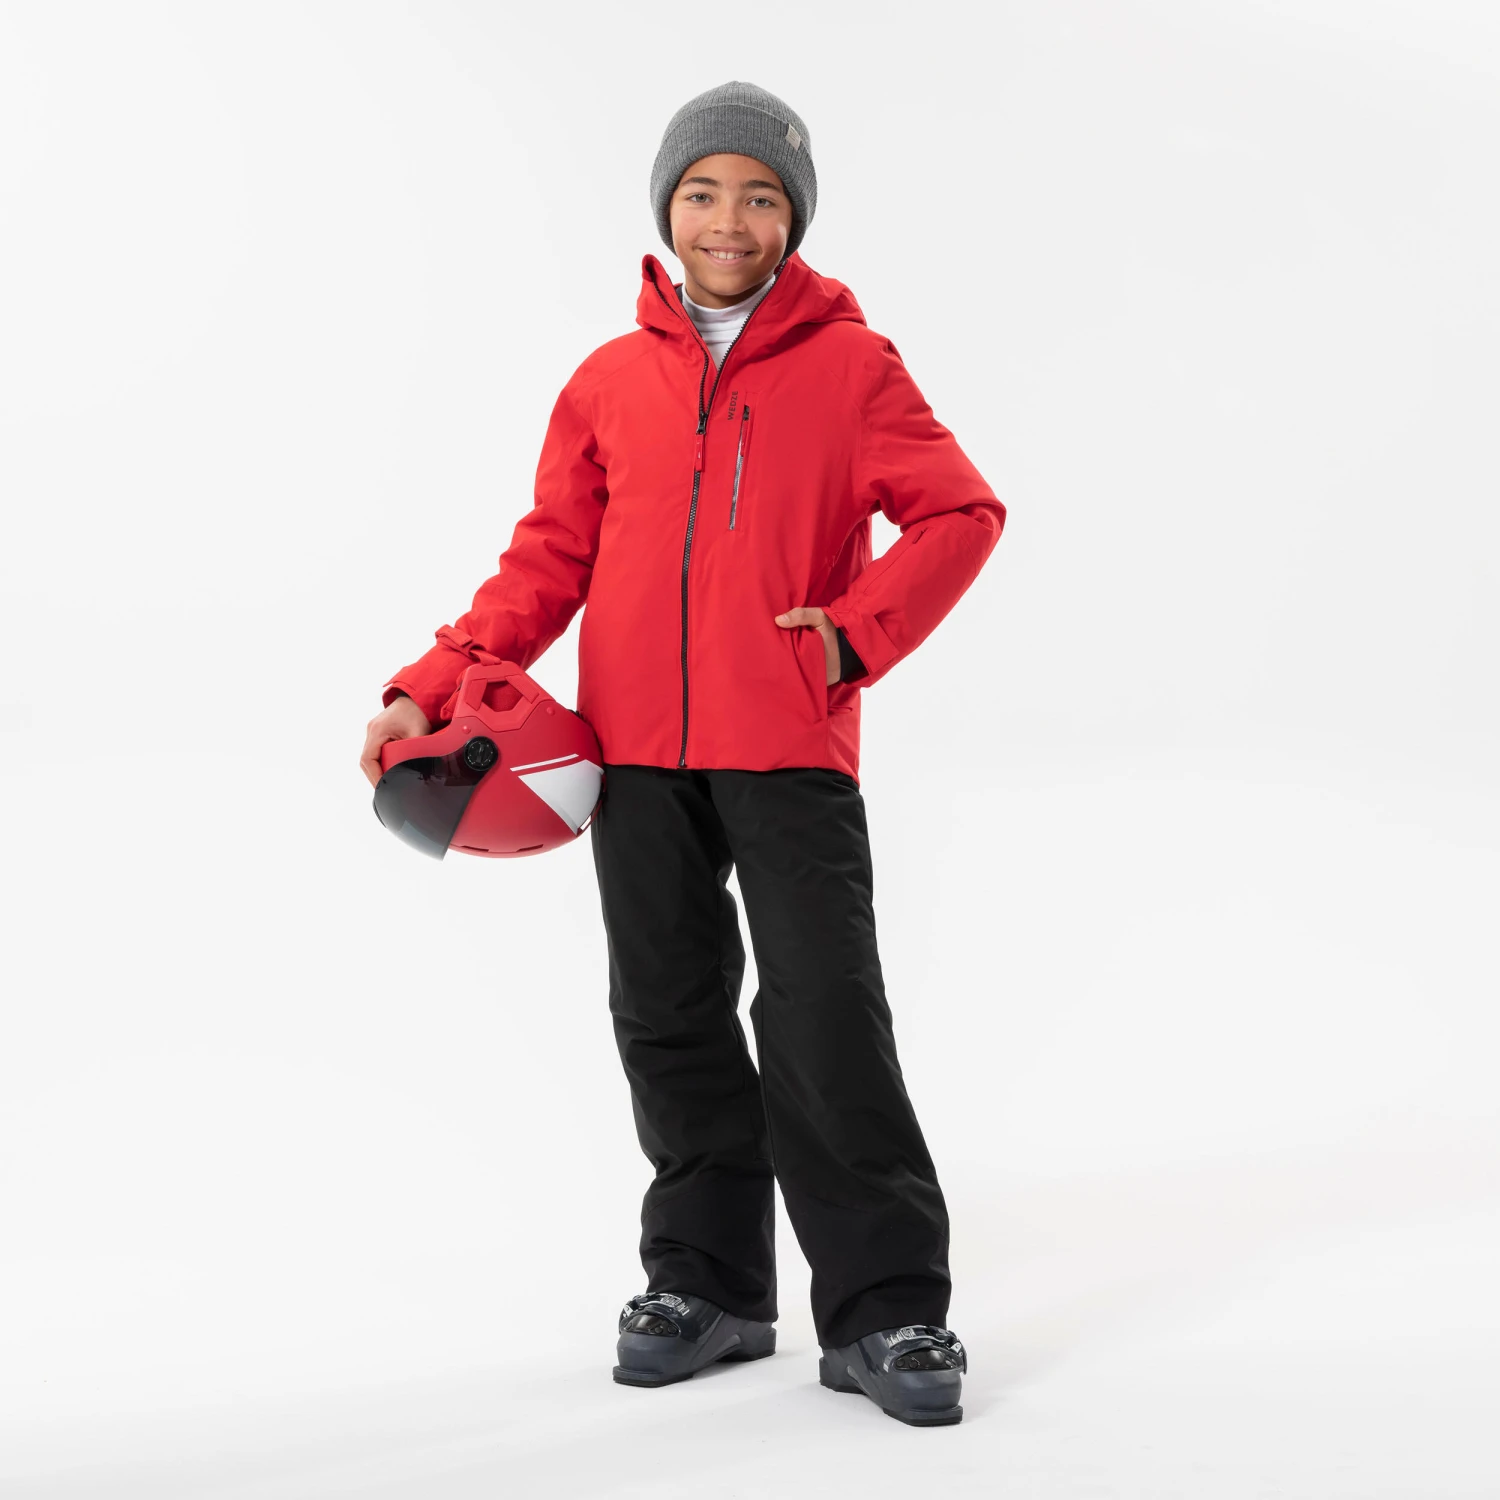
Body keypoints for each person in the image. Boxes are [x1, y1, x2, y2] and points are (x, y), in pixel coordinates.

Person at [360, 80, 1005, 1426]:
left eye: (760, 197)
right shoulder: (609, 380)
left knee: (823, 1012)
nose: (728, 220)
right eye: (704, 192)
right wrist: (430, 685)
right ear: (668, 206)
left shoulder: (855, 366)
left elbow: (959, 513)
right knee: (666, 1011)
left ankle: (886, 1311)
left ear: (793, 220)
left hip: (790, 744)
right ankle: (707, 1287)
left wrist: (851, 637)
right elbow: (547, 562)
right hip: (635, 753)